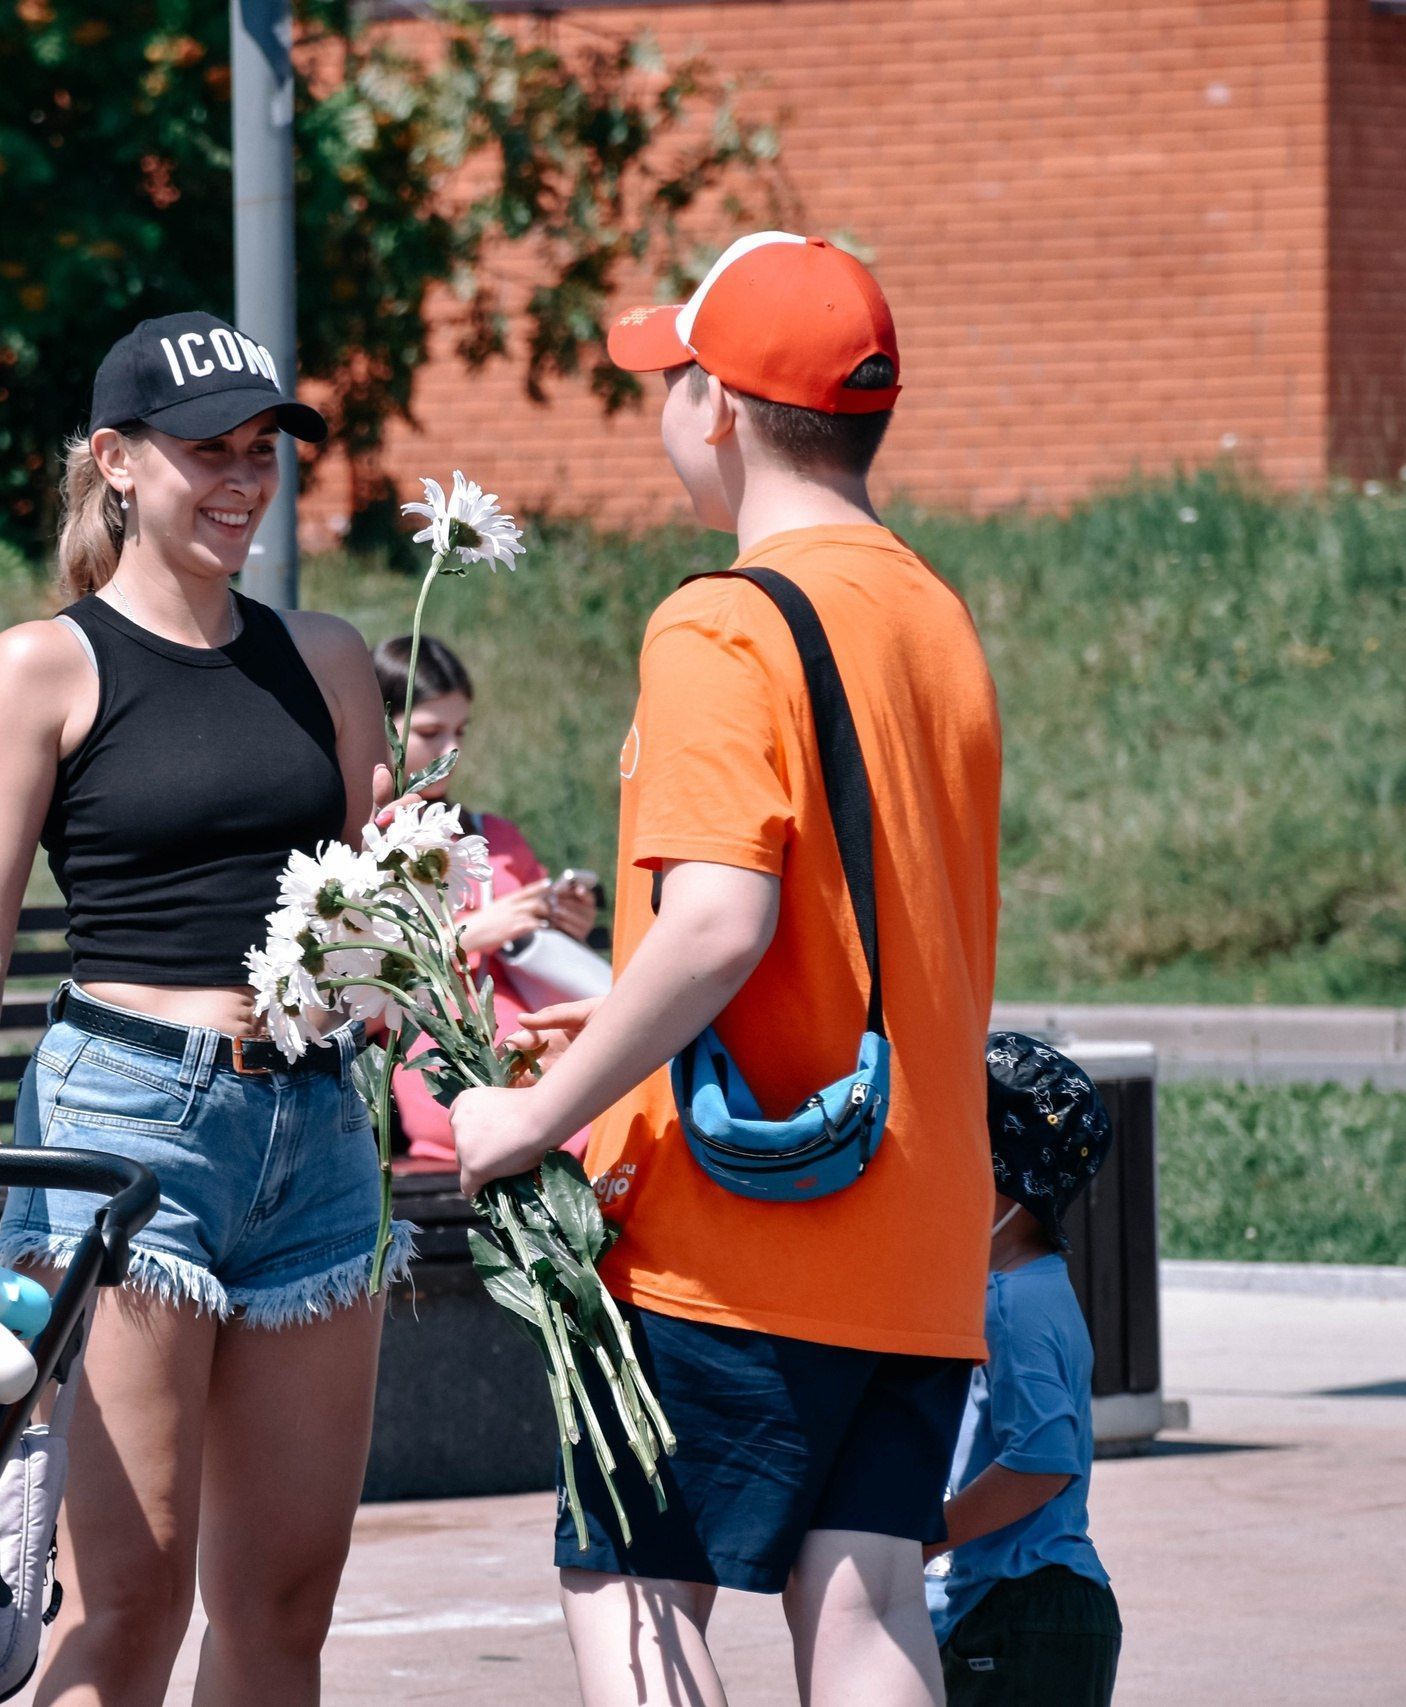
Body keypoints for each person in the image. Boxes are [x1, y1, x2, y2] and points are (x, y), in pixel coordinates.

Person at [450, 231, 1004, 1707]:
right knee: (867, 1597)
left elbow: (716, 923)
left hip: (736, 1231)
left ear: (722, 411)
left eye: (670, 379)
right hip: (917, 1223)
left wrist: (532, 1111)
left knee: (630, 1580)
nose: (664, 409)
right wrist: (619, 1013)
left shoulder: (721, 619)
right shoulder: (934, 616)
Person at [0, 310, 400, 1707]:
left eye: (262, 451)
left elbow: (359, 918)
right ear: (117, 462)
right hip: (127, 1127)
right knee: (133, 1601)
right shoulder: (42, 665)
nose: (243, 481)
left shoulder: (327, 657)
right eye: (209, 452)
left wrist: (400, 928)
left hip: (316, 1130)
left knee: (283, 1611)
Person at [926, 1033, 1123, 1706]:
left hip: (1021, 1609)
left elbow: (1041, 1461)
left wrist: (923, 1538)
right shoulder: (1023, 1289)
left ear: (1005, 1179)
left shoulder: (1013, 1306)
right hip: (1019, 1611)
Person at [373, 633, 599, 1163]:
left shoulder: (494, 835)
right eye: (430, 732)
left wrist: (570, 923)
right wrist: (471, 935)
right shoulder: (366, 846)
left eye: (461, 731)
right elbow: (357, 1002)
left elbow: (542, 960)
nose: (451, 752)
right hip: (454, 1083)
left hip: (548, 1061)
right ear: (380, 726)